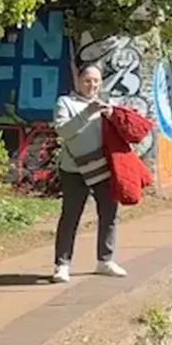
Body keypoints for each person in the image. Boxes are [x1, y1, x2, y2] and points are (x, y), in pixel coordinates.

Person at [51, 65, 127, 283]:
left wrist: (115, 117)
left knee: (109, 214)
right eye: (87, 80)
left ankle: (105, 260)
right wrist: (88, 112)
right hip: (74, 170)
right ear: (78, 80)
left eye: (95, 81)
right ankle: (62, 265)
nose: (91, 85)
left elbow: (123, 132)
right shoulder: (65, 103)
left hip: (103, 168)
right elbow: (63, 131)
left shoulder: (107, 103)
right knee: (70, 216)